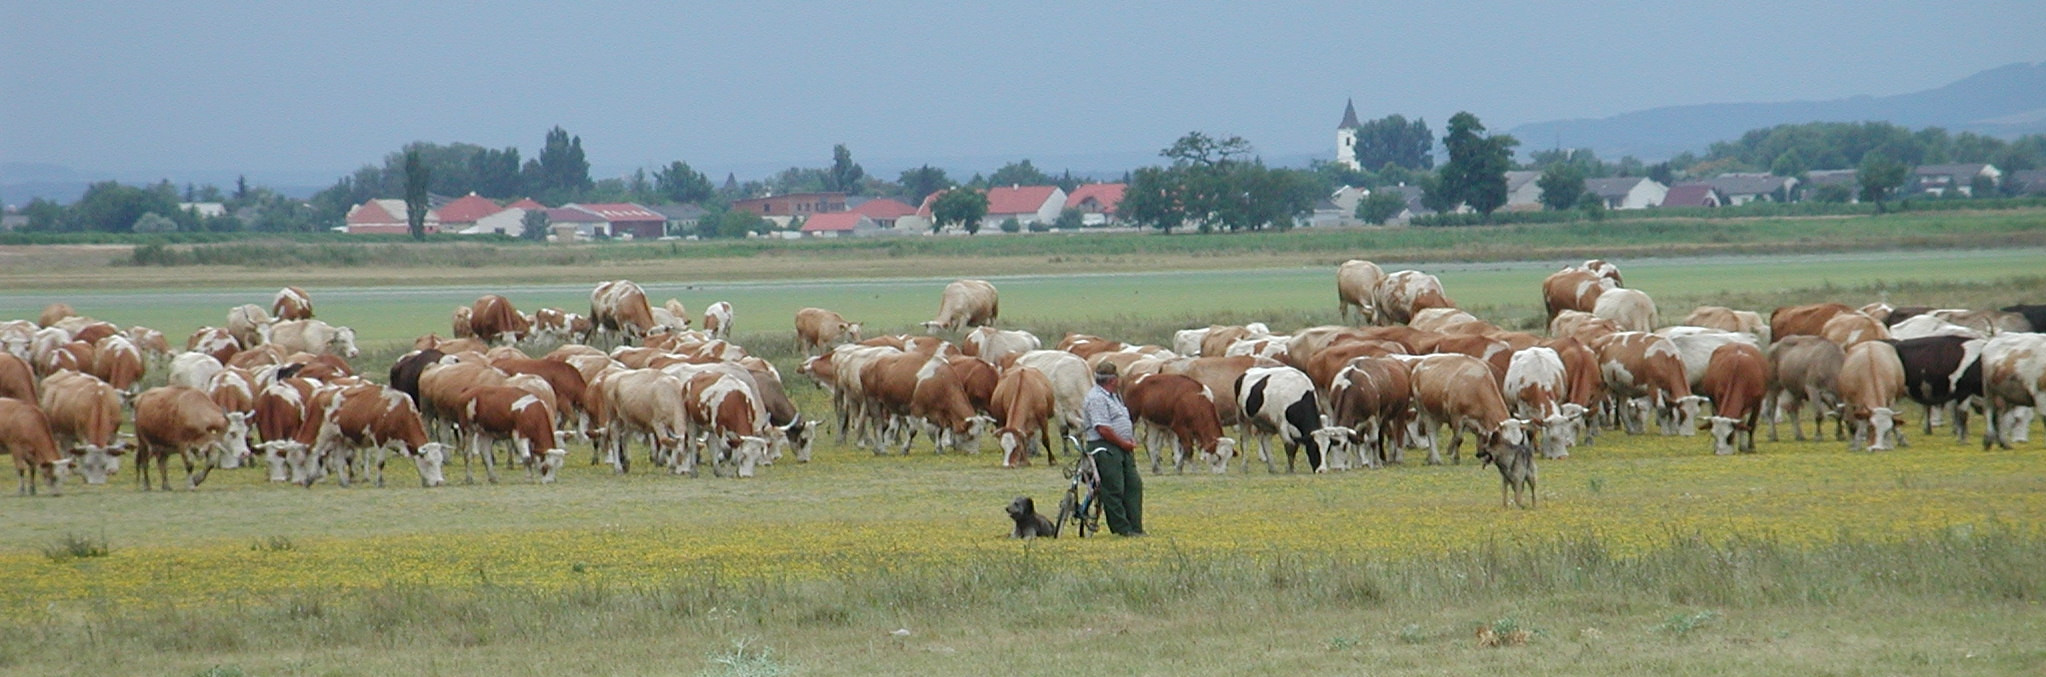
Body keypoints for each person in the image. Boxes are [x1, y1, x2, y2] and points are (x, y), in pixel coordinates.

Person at [1081, 361, 1144, 536]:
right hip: (1105, 448)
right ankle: (1122, 529)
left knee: (1133, 486)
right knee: (1114, 488)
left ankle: (1135, 527)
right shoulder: (1096, 399)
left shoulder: (1113, 396)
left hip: (1122, 447)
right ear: (1113, 380)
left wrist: (1127, 439)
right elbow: (1103, 429)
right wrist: (1123, 443)